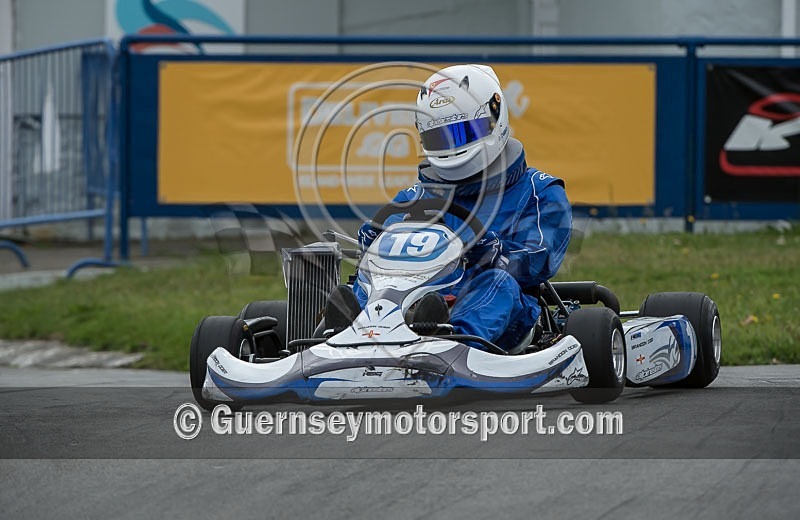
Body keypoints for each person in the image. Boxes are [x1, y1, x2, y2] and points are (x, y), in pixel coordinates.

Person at [338, 64, 572, 352]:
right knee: (364, 284)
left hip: (496, 309)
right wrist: (372, 242)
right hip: (410, 302)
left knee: (498, 283)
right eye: (441, 138)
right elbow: (384, 246)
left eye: (462, 133)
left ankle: (450, 344)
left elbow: (540, 258)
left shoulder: (539, 191)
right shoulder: (414, 196)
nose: (452, 147)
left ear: (494, 118)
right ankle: (342, 332)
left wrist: (493, 252)